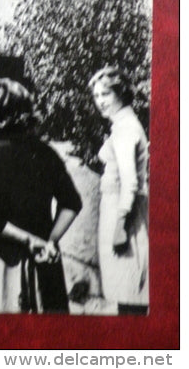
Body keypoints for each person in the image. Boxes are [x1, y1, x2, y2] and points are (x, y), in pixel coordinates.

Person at [0, 76, 82, 313]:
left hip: (4, 264)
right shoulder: (46, 153)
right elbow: (71, 203)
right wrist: (49, 241)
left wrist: (31, 241)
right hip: (45, 260)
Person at [89, 66, 149, 315]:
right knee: (126, 289)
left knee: (129, 290)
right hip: (122, 209)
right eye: (96, 96)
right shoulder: (124, 124)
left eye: (106, 94)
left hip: (124, 212)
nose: (100, 101)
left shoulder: (125, 129)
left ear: (120, 93)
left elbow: (130, 182)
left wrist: (120, 225)